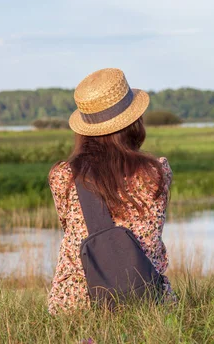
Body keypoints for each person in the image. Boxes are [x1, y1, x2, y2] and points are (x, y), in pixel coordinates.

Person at [47, 68, 175, 314]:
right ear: (133, 122)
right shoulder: (156, 172)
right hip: (145, 298)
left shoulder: (63, 176)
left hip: (75, 306)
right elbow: (155, 249)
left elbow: (71, 231)